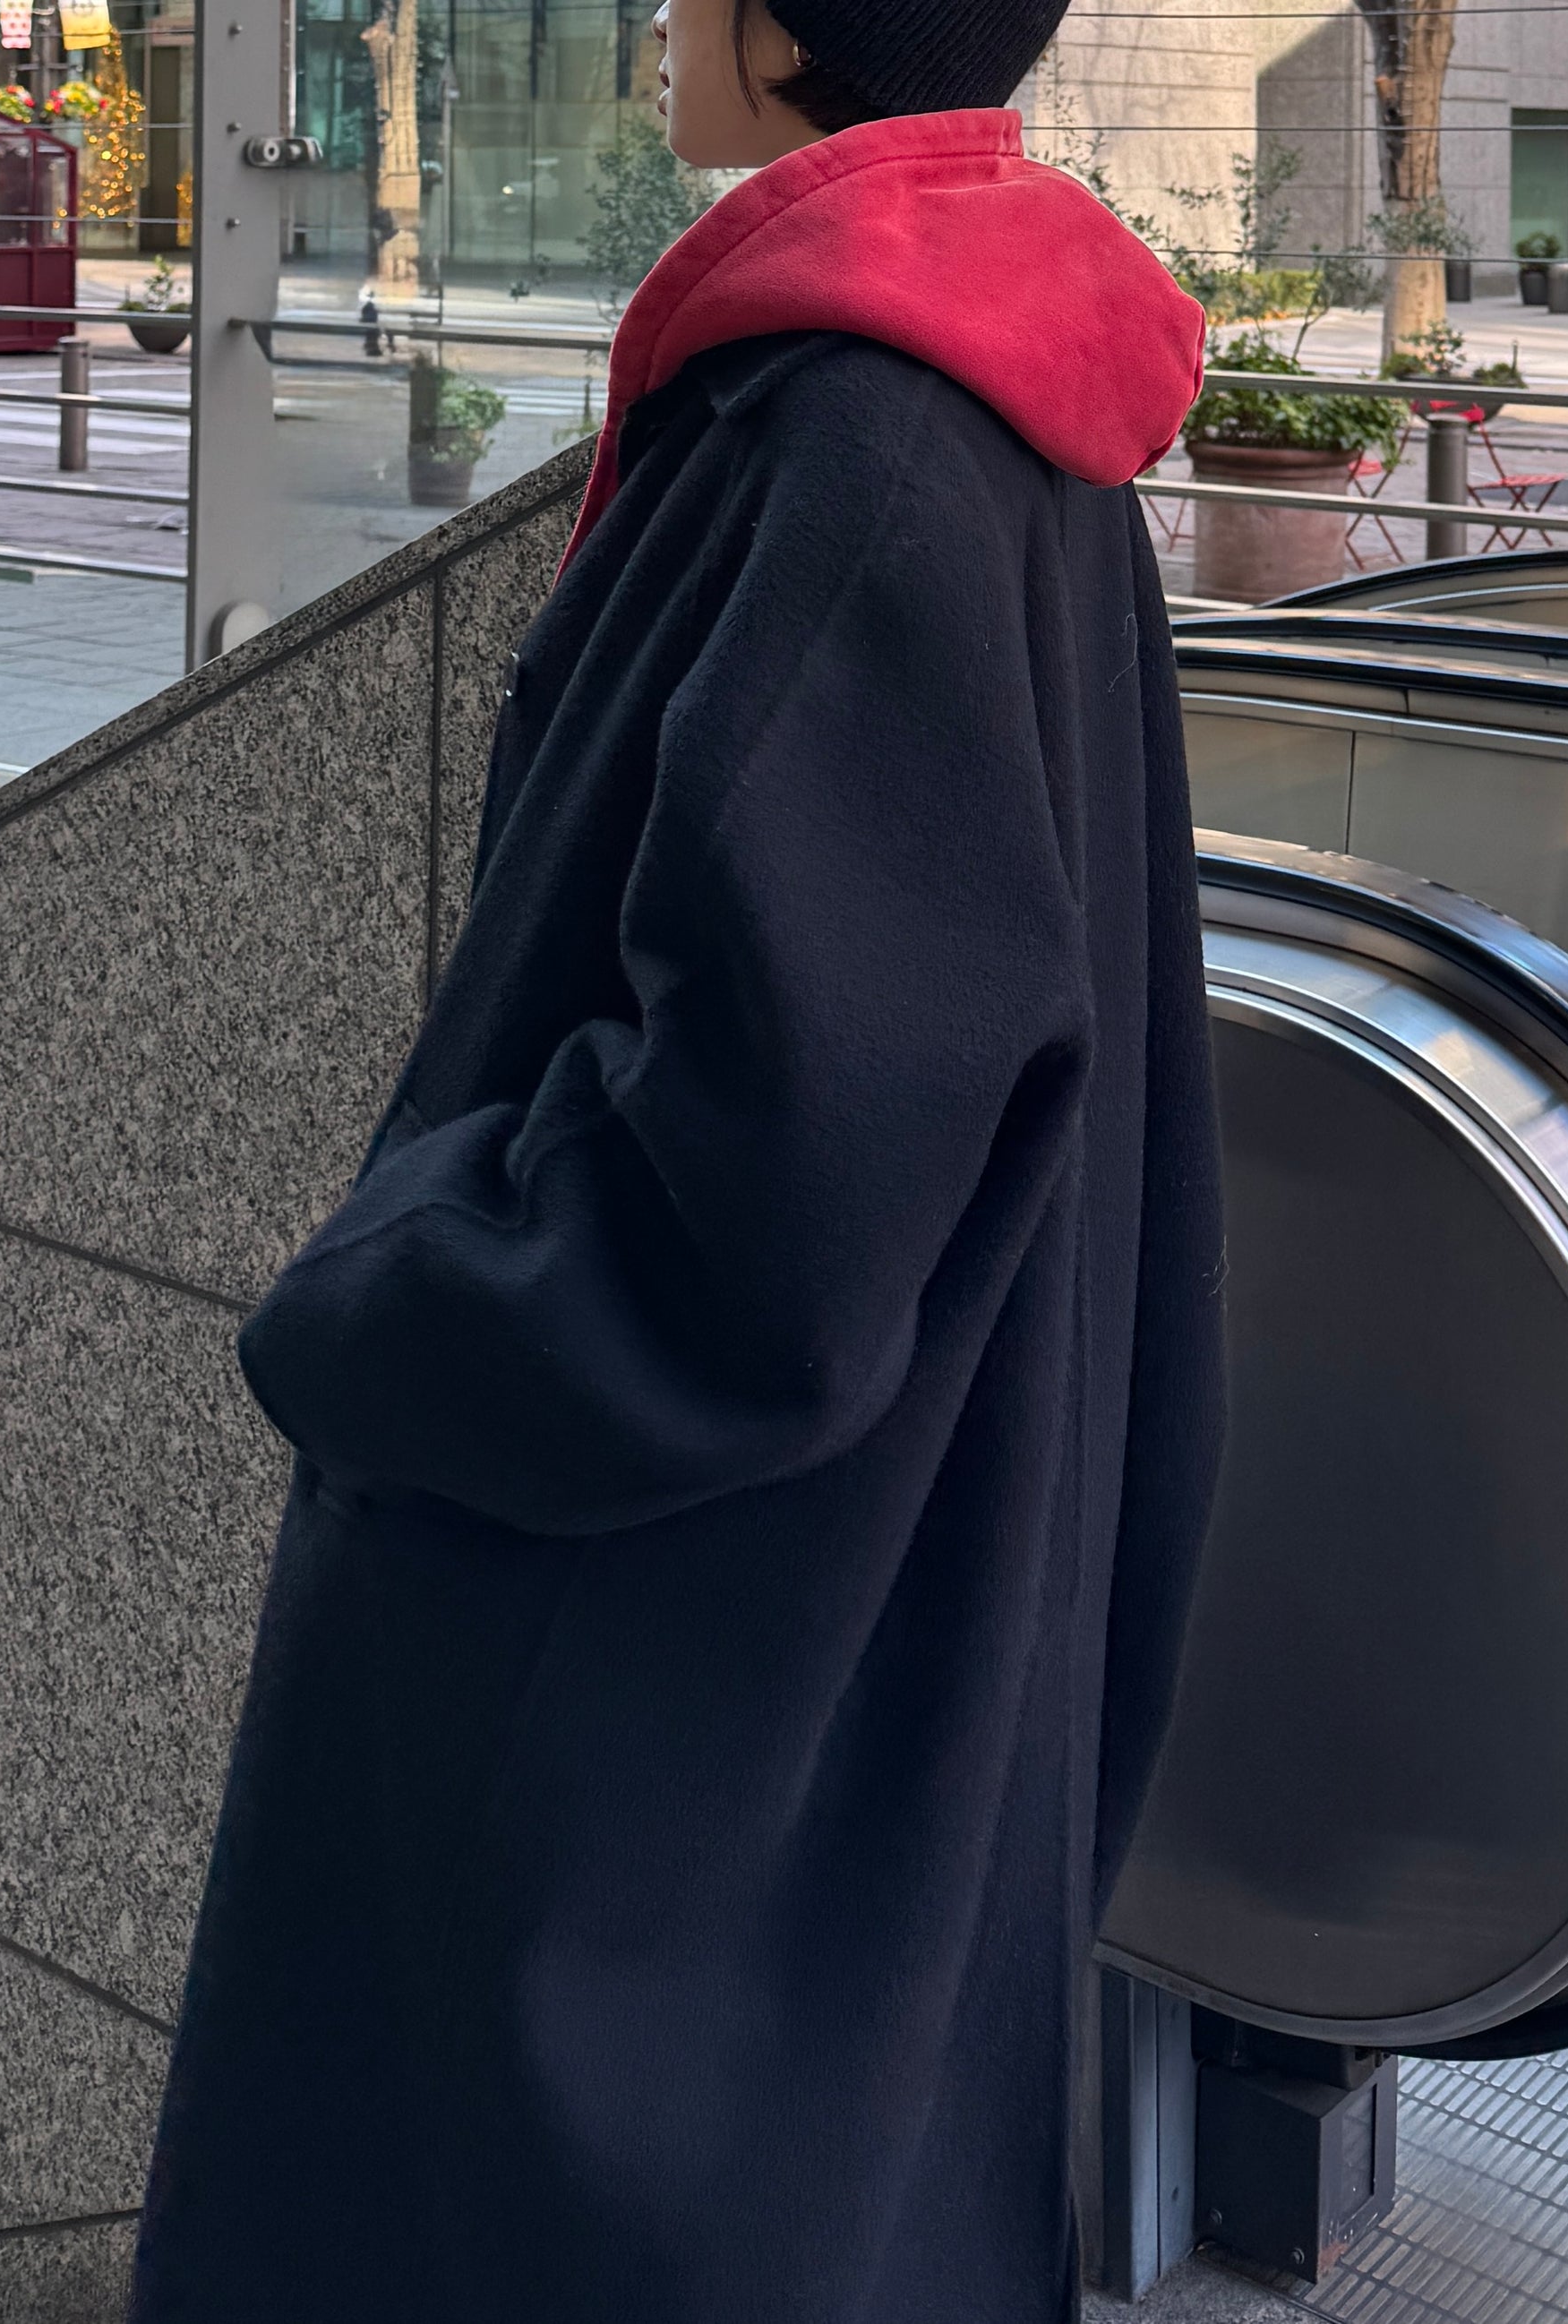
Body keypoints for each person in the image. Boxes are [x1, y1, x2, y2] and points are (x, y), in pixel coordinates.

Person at [125, 2, 1225, 2318]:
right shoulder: (995, 395)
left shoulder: (864, 433)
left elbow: (772, 1199)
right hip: (862, 1645)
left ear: (794, 19)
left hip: (680, 1703)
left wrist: (388, 1289)